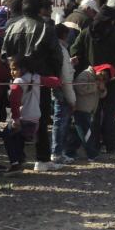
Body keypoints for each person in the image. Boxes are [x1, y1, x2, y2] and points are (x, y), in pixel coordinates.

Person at [1, 0, 64, 170]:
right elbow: (56, 57)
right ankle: (42, 159)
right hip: (39, 79)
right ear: (39, 8)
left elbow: (3, 55)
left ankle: (18, 158)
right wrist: (54, 78)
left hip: (17, 80)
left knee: (16, 116)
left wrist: (15, 71)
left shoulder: (12, 26)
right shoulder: (46, 27)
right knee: (40, 119)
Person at [70, 6, 115, 154]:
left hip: (91, 78)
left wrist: (84, 67)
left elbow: (74, 50)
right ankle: (110, 146)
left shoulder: (86, 33)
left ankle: (94, 145)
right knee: (109, 113)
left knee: (94, 113)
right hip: (112, 79)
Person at [3, 58, 62, 172]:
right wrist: (59, 81)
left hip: (22, 118)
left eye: (14, 69)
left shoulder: (18, 82)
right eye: (11, 69)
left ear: (23, 69)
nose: (12, 72)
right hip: (34, 119)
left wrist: (15, 118)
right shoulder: (35, 78)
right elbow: (52, 81)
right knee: (17, 137)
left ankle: (15, 163)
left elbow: (14, 102)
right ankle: (19, 160)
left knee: (7, 135)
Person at [64, 64, 114, 162]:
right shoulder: (85, 74)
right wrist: (96, 86)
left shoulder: (98, 80)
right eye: (103, 76)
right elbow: (79, 88)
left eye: (105, 79)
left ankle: (70, 153)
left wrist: (102, 89)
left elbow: (102, 95)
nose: (103, 79)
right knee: (86, 134)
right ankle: (92, 154)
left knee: (77, 133)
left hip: (88, 110)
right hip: (81, 108)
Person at [50, 24, 77, 165]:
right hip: (63, 90)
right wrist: (72, 99)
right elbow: (66, 76)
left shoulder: (57, 49)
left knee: (59, 121)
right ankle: (57, 153)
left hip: (57, 89)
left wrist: (70, 63)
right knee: (61, 122)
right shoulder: (61, 50)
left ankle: (57, 152)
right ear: (64, 35)